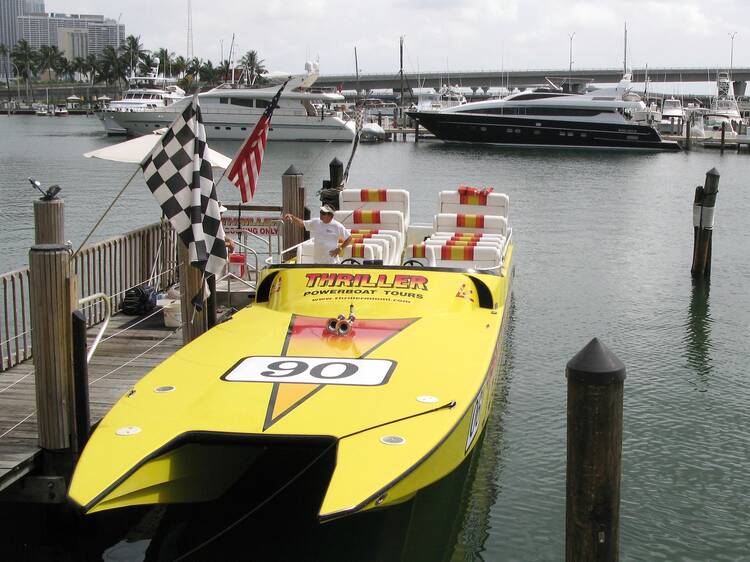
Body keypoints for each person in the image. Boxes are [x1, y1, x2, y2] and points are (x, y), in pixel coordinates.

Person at [283, 204, 352, 263]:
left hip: (331, 262)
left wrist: (339, 249)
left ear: (330, 216)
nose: (321, 214)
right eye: (321, 212)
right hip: (317, 262)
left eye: (323, 213)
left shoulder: (337, 226)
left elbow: (349, 238)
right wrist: (292, 217)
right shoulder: (316, 222)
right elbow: (302, 223)